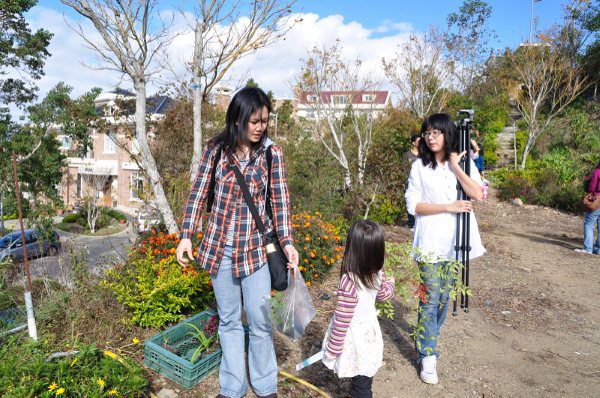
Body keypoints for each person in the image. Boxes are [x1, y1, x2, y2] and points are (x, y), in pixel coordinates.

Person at [176, 86, 299, 398]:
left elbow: (280, 203)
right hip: (220, 250)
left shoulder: (272, 153)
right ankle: (232, 386)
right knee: (229, 320)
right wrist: (187, 235)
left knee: (260, 321)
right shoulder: (216, 150)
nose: (259, 128)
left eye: (264, 121)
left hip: (255, 251)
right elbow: (198, 194)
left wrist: (287, 242)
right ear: (237, 119)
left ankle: (265, 384)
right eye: (254, 121)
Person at [405, 113, 485, 385]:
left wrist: (456, 166)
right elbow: (413, 206)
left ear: (447, 134)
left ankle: (427, 342)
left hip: (455, 243)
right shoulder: (419, 167)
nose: (431, 137)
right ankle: (428, 354)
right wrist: (449, 206)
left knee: (442, 298)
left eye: (436, 132)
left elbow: (477, 193)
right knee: (429, 298)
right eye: (427, 132)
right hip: (428, 243)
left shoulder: (460, 162)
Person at [322, 220, 395, 398]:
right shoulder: (378, 274)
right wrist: (391, 284)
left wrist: (333, 347)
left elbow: (342, 320)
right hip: (369, 335)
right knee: (364, 378)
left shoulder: (349, 282)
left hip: (353, 339)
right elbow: (384, 295)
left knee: (360, 385)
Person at [575, 161, 600, 255]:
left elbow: (591, 188)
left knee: (588, 224)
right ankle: (598, 249)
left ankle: (588, 248)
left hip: (596, 201)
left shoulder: (597, 171)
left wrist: (588, 181)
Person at [403, 134, 421, 229]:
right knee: (409, 199)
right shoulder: (407, 155)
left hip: (421, 182)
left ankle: (419, 221)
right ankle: (411, 222)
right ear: (413, 143)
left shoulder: (423, 155)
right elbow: (404, 169)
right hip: (409, 182)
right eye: (418, 141)